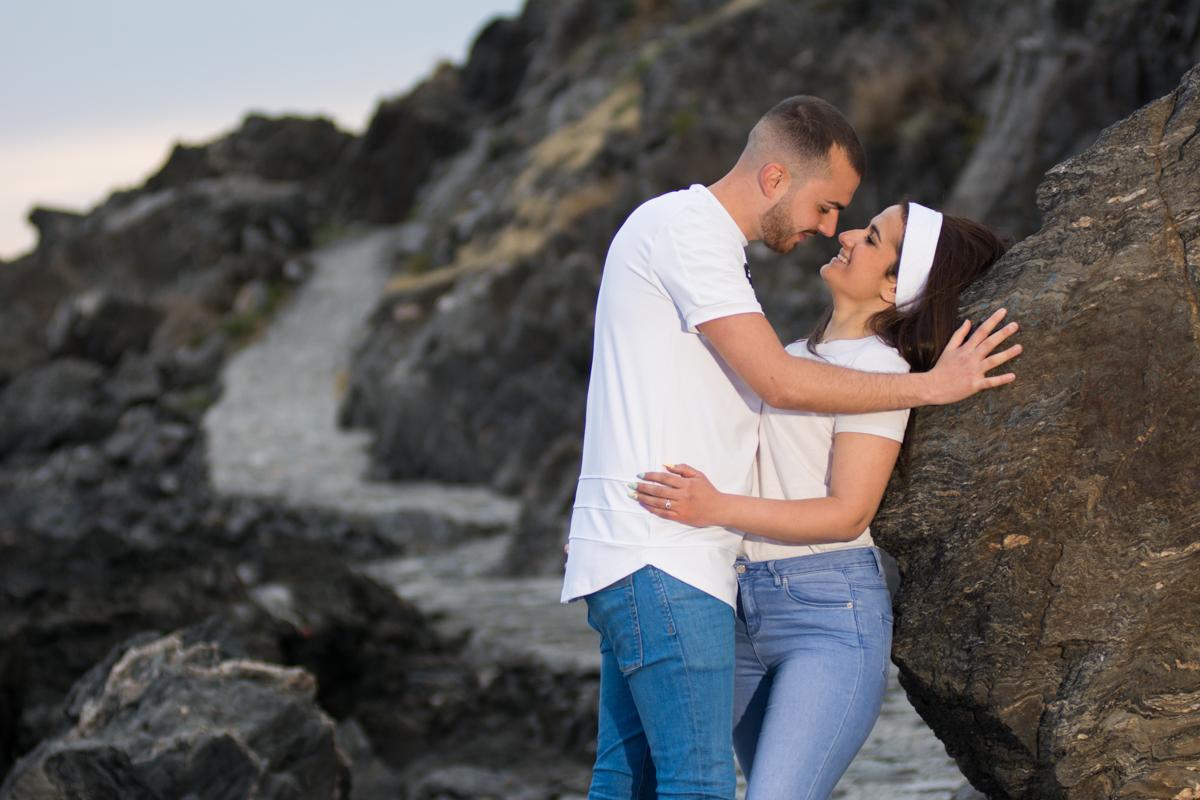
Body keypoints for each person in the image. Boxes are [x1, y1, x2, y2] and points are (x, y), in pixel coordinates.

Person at [561, 95, 1020, 800]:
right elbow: (770, 385)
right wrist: (934, 387)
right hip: (698, 571)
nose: (837, 230)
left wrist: (646, 510)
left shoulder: (875, 369)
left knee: (649, 777)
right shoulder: (731, 280)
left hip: (794, 596)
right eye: (831, 208)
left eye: (864, 232)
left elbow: (842, 507)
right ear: (776, 178)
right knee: (672, 778)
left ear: (896, 286)